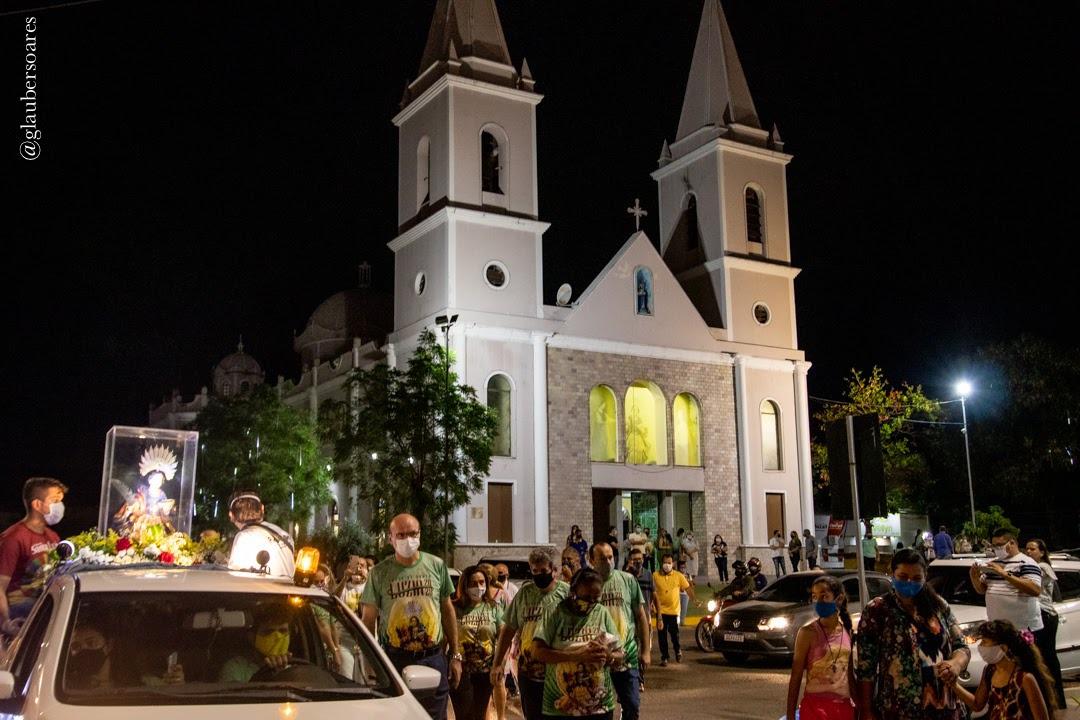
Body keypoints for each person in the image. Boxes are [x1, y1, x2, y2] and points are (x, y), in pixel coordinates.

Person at [361, 513, 458, 720]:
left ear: (420, 535)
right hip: (395, 659)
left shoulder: (436, 566)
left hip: (432, 658)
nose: (407, 539)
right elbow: (368, 619)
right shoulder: (379, 573)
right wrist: (371, 663)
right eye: (401, 534)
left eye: (412, 534)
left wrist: (456, 654)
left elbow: (447, 609)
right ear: (391, 538)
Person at [855, 548, 971, 720]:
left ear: (925, 576)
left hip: (944, 707)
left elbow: (961, 646)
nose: (909, 582)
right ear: (892, 573)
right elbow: (866, 668)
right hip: (898, 709)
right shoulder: (877, 610)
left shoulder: (939, 606)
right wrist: (866, 710)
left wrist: (956, 664)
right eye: (903, 577)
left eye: (917, 578)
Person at [532, 568, 623, 719]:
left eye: (595, 598)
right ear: (573, 591)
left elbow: (621, 654)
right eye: (586, 597)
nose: (590, 603)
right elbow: (537, 652)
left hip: (599, 707)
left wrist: (608, 656)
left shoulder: (601, 612)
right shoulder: (554, 612)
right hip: (561, 707)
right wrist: (576, 655)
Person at [491, 547, 569, 720]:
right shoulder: (525, 594)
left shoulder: (566, 593)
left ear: (554, 570)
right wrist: (498, 663)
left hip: (559, 673)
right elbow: (509, 629)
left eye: (543, 571)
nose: (539, 575)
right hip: (529, 673)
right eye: (535, 571)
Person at [951, 619, 1056, 720]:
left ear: (1003, 648)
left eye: (984, 642)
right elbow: (977, 704)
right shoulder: (990, 671)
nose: (980, 646)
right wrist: (953, 684)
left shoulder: (1023, 678)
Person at [591, 542, 649, 720]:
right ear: (592, 560)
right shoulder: (588, 585)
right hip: (600, 658)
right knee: (600, 708)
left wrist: (645, 651)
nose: (608, 562)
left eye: (610, 557)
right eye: (603, 558)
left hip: (627, 654)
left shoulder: (627, 580)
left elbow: (641, 616)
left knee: (632, 704)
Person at [0, 477, 66, 633]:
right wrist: (5, 622)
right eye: (55, 500)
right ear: (37, 504)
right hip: (21, 608)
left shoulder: (53, 537)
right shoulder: (13, 538)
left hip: (46, 601)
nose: (60, 506)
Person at [786, 575, 856, 720]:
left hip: (843, 708)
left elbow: (849, 675)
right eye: (814, 597)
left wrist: (861, 707)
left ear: (839, 599)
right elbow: (796, 675)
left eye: (824, 596)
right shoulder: (807, 633)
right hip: (815, 709)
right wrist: (790, 714)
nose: (818, 601)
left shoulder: (847, 631)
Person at [450, 565, 504, 720]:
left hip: (485, 671)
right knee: (465, 715)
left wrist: (500, 663)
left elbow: (501, 636)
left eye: (482, 583)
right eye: (473, 583)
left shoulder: (493, 607)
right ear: (465, 585)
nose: (478, 587)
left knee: (480, 714)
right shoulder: (455, 608)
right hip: (461, 670)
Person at [969, 528, 1043, 636]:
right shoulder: (994, 563)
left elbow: (1035, 590)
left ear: (1012, 543)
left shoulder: (1027, 562)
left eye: (999, 545)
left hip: (1022, 628)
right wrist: (974, 577)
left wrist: (1004, 574)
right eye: (994, 546)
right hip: (998, 628)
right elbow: (982, 590)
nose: (996, 549)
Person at [1023, 538, 1066, 708]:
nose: (1028, 551)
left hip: (1045, 616)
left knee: (1046, 658)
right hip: (1040, 615)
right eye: (1026, 548)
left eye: (1032, 549)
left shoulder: (1042, 567)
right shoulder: (1033, 567)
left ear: (1042, 552)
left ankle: (1056, 701)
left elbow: (1028, 585)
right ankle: (1052, 701)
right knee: (1044, 657)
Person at [226, 490, 295, 578]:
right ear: (262, 508)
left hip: (261, 590)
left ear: (231, 515)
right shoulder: (285, 535)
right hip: (288, 591)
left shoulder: (243, 538)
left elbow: (234, 577)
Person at [219, 604, 295, 682]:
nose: (278, 637)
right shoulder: (236, 668)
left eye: (283, 631)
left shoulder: (299, 668)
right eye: (269, 632)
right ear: (251, 637)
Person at [651, 552, 688, 667]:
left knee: (674, 634)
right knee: (662, 636)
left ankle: (678, 651)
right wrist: (652, 604)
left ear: (673, 563)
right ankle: (664, 657)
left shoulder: (678, 576)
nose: (667, 565)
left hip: (673, 611)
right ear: (661, 563)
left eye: (669, 563)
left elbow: (687, 587)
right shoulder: (655, 576)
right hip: (660, 612)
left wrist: (695, 599)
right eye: (665, 562)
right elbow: (652, 592)